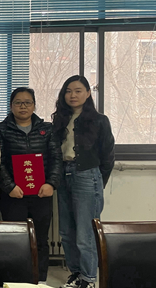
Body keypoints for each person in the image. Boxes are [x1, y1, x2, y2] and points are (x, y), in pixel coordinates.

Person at [52, 75, 115, 288]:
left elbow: (107, 156)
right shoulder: (60, 119)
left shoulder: (99, 120)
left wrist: (97, 182)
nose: (73, 95)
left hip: (87, 175)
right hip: (63, 175)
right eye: (68, 91)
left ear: (88, 93)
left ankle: (88, 279)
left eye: (78, 91)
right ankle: (76, 273)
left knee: (85, 234)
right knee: (66, 232)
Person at [0, 87, 62, 284]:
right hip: (13, 194)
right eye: (18, 102)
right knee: (15, 239)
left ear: (34, 105)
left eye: (27, 102)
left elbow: (56, 159)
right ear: (11, 106)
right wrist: (9, 186)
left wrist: (51, 183)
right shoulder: (1, 129)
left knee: (40, 239)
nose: (23, 106)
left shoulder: (47, 129)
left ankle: (40, 280)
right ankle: (16, 281)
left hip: (41, 193)